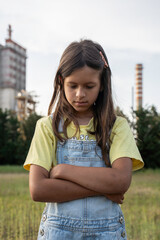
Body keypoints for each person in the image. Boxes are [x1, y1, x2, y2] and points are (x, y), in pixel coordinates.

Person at [24, 39, 144, 240]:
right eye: (73, 85)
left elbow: (120, 181)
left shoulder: (117, 127)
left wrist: (63, 170)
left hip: (107, 233)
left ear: (102, 84)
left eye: (89, 86)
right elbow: (38, 189)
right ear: (61, 81)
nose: (80, 94)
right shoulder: (47, 127)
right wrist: (103, 189)